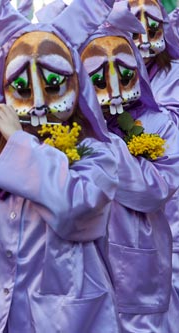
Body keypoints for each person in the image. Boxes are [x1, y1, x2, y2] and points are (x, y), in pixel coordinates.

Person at [0, 0, 122, 332]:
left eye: (55, 86)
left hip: (64, 321)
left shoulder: (96, 154)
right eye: (23, 89)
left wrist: (18, 142)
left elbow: (76, 211)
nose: (40, 103)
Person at [79, 2, 179, 331]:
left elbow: (158, 189)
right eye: (98, 78)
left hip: (145, 265)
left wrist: (108, 140)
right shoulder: (70, 131)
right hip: (82, 273)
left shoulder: (158, 122)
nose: (114, 89)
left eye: (123, 75)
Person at [130, 0, 179, 297]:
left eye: (153, 28)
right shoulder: (103, 79)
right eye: (136, 30)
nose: (145, 40)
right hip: (132, 209)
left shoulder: (175, 72)